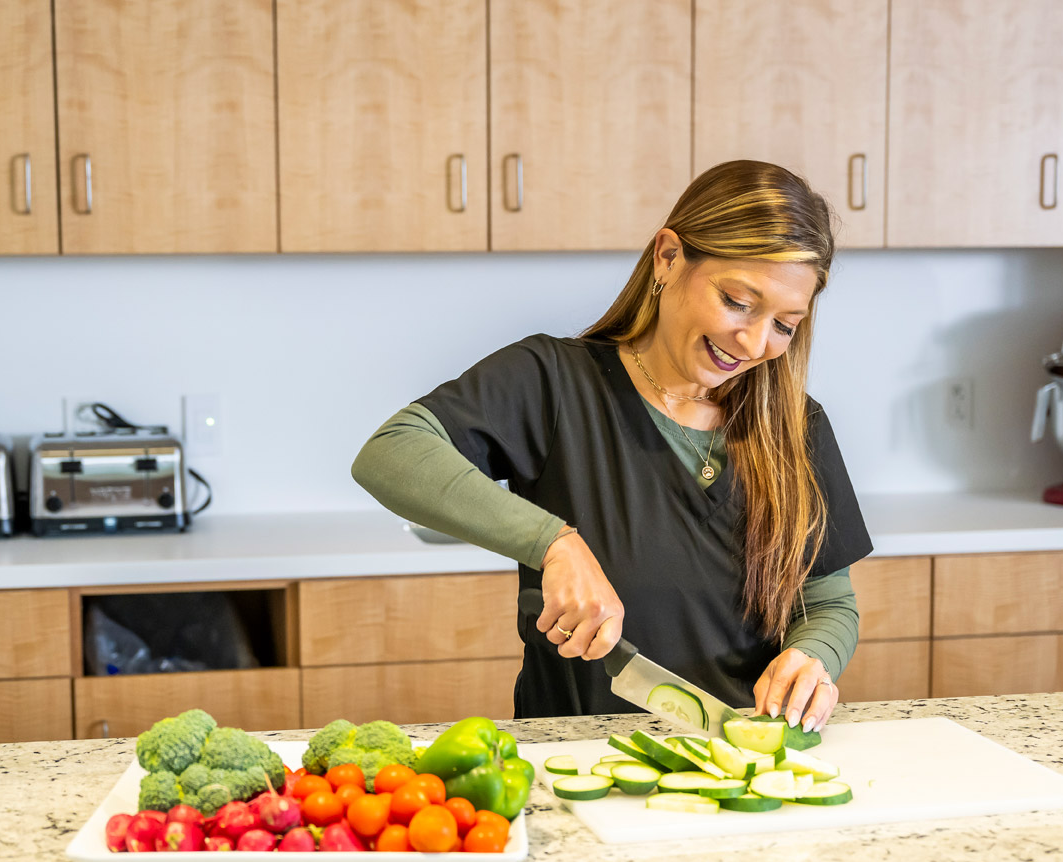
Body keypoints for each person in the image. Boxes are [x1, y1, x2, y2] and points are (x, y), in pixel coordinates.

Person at [352, 159, 872, 732]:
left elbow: (827, 601)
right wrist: (554, 543)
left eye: (785, 324)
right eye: (737, 301)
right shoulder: (552, 381)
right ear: (669, 258)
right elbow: (392, 452)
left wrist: (814, 655)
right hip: (574, 753)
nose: (753, 342)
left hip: (739, 754)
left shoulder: (795, 425)